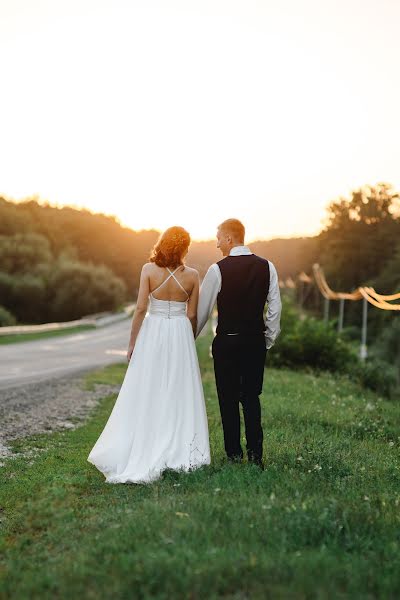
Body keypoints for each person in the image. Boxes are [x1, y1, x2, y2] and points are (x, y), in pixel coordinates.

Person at [88, 226, 210, 484]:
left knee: (148, 388)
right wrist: (188, 339)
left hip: (153, 333)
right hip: (179, 333)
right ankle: (177, 445)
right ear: (185, 248)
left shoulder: (148, 270)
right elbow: (191, 315)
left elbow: (141, 308)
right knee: (177, 390)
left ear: (163, 244)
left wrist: (132, 343)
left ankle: (145, 442)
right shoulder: (193, 276)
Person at [196, 219, 281, 468]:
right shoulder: (268, 267)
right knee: (252, 397)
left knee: (228, 399)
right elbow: (275, 308)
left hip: (227, 343)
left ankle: (234, 455)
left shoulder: (217, 270)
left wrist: (188, 338)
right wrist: (267, 339)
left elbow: (203, 311)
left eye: (219, 237)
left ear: (230, 239)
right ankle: (256, 456)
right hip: (255, 342)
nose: (217, 243)